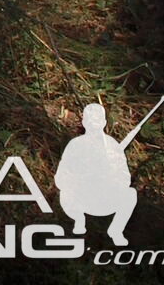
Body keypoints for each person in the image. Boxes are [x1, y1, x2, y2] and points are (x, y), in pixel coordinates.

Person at [56, 103, 140, 246]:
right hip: (81, 198)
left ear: (104, 122)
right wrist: (80, 178)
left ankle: (116, 230)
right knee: (65, 193)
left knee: (130, 194)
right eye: (90, 121)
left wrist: (112, 176)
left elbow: (125, 177)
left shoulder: (112, 146)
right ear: (84, 122)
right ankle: (79, 220)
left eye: (97, 120)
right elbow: (61, 177)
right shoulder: (75, 145)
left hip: (105, 197)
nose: (94, 124)